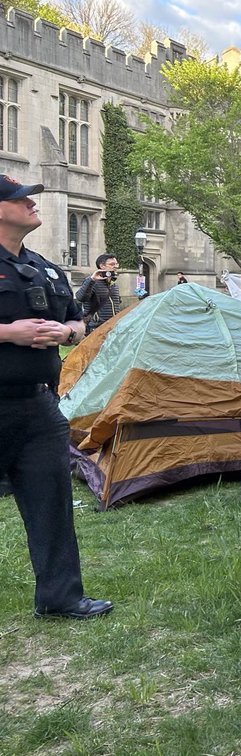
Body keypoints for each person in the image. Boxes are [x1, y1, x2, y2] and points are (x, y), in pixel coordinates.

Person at [0, 175, 112, 618]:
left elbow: (77, 321)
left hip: (38, 406)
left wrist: (65, 331)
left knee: (52, 504)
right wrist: (9, 332)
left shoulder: (44, 267)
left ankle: (60, 597)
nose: (31, 203)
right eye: (18, 198)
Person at [76, 252, 122, 335]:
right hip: (97, 328)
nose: (116, 266)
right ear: (102, 266)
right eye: (112, 264)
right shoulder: (93, 282)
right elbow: (80, 298)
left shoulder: (114, 284)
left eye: (116, 264)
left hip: (113, 327)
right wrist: (92, 280)